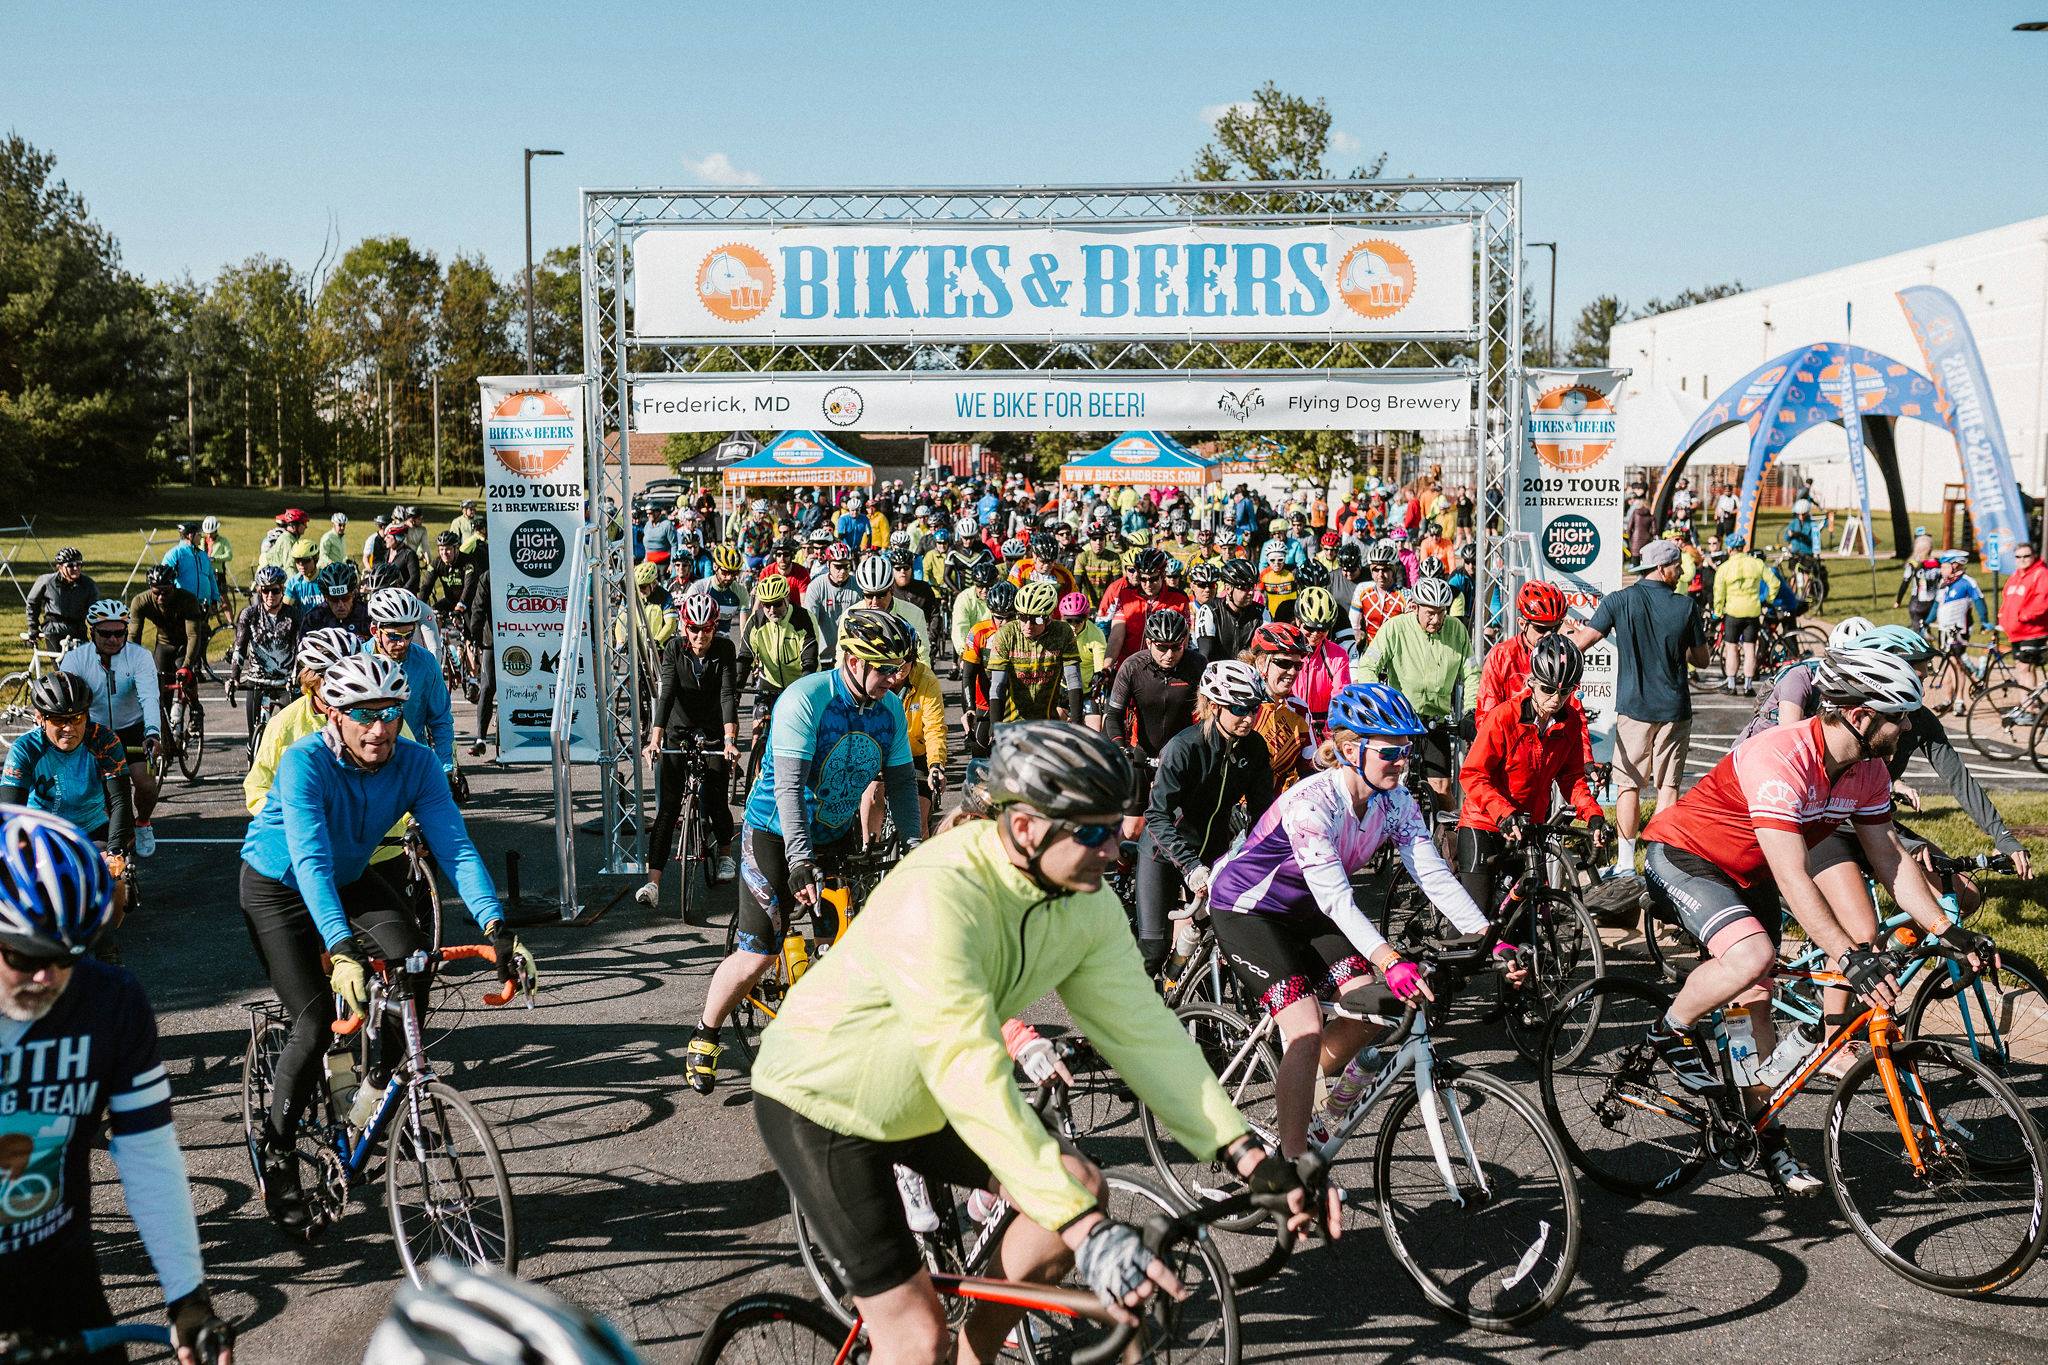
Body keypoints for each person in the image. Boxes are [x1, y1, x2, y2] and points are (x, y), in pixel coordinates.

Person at [750, 721, 1322, 1365]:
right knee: (913, 1339)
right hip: (826, 1102)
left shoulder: (1084, 900)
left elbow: (1145, 1034)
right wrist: (1088, 1232)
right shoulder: (940, 892)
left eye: (1120, 827)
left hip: (919, 1099)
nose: (1116, 850)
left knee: (1076, 1181)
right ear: (1025, 827)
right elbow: (966, 1066)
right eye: (1097, 832)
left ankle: (977, 1356)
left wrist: (1245, 1152)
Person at [1638, 649, 1988, 1191]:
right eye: (1901, 714)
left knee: (1756, 1006)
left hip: (1749, 876)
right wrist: (1847, 955)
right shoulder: (1780, 756)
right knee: (1752, 957)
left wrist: (1949, 930)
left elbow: (1889, 859)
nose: (1909, 726)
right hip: (1687, 856)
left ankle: (1762, 1134)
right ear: (1862, 715)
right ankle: (1666, 1030)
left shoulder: (1867, 770)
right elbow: (1794, 875)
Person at [239, 653, 532, 1236]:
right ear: (333, 711)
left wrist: (496, 930)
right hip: (279, 884)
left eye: (391, 714)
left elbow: (456, 847)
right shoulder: (305, 764)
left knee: (414, 961)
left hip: (348, 876)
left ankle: (372, 1091)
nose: (379, 730)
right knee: (315, 1020)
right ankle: (277, 1154)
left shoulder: (416, 762)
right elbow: (310, 859)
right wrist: (341, 948)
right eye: (364, 715)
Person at [1208, 684, 1493, 1159]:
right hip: (1249, 909)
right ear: (1348, 749)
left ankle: (1302, 1090)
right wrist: (1390, 958)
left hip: (1310, 909)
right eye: (1390, 751)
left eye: (1408, 750)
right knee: (1304, 1026)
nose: (1402, 761)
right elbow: (1340, 902)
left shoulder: (1394, 801)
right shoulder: (1311, 804)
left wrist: (1488, 937)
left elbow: (1433, 876)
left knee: (1368, 1010)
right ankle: (1291, 1168)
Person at [0, 807, 235, 1365]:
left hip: (58, 1274)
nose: (46, 978)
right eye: (23, 955)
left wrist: (187, 1297)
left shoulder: (110, 1002)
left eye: (66, 955)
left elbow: (148, 1151)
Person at [685, 609, 924, 1096]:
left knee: (845, 950)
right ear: (854, 661)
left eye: (898, 670)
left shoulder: (890, 709)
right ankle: (706, 1032)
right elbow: (789, 788)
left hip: (834, 834)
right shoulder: (806, 699)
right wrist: (798, 862)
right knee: (757, 954)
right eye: (884, 670)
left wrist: (916, 848)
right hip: (775, 832)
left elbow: (901, 782)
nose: (892, 680)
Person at [1570, 539, 1709, 875]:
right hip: (1674, 709)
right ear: (1662, 568)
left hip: (1633, 708)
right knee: (1668, 787)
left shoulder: (1619, 601)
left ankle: (1624, 865)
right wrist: (1679, 647)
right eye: (1677, 566)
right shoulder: (1685, 608)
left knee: (1628, 784)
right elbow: (1701, 660)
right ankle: (1659, 865)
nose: (1681, 574)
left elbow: (1583, 642)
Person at [1135, 661, 1274, 976]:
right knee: (1153, 951)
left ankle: (1189, 1003)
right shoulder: (1184, 747)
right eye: (1240, 709)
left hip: (1213, 853)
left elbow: (1262, 814)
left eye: (1254, 707)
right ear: (1214, 705)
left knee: (1219, 942)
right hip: (1164, 852)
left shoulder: (1254, 748)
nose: (1250, 717)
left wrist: (1257, 858)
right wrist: (1189, 865)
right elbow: (1157, 816)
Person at [1455, 636, 1607, 918]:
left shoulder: (1570, 721)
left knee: (1528, 918)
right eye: (1548, 689)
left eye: (1566, 692)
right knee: (1474, 924)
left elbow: (1572, 777)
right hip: (1485, 822)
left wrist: (1593, 814)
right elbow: (1473, 774)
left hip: (1529, 825)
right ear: (1532, 682)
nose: (1556, 699)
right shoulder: (1504, 717)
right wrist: (1503, 813)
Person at [637, 595, 742, 908]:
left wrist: (728, 740)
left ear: (714, 626)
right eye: (694, 629)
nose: (700, 636)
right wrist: (654, 739)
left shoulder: (724, 648)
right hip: (677, 729)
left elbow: (727, 696)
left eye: (707, 628)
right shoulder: (673, 648)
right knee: (668, 809)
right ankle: (653, 884)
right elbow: (666, 693)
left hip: (713, 730)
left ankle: (724, 854)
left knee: (715, 798)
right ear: (685, 626)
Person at [1355, 575, 1475, 805]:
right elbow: (1368, 666)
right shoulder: (1395, 628)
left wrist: (1471, 710)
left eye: (1441, 612)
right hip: (1401, 719)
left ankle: (1449, 839)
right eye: (1430, 612)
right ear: (1415, 607)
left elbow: (1471, 673)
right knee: (1386, 784)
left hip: (1436, 720)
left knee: (1442, 790)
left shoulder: (1456, 629)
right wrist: (1378, 704)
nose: (1436, 619)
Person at [61, 599, 165, 858]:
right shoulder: (75, 659)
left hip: (134, 728)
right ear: (91, 631)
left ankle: (143, 822)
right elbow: (67, 702)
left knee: (146, 784)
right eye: (105, 633)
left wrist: (153, 733)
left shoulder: (139, 657)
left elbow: (149, 697)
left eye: (120, 633)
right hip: (94, 731)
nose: (113, 639)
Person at [0, 674, 134, 859]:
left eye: (77, 718)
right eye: (57, 720)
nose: (69, 728)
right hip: (42, 831)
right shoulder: (25, 749)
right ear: (40, 718)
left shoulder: (104, 741)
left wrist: (114, 852)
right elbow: (10, 812)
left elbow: (120, 801)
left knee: (114, 879)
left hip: (92, 828)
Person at [365, 587, 456, 783]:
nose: (402, 643)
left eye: (408, 635)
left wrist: (446, 766)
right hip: (367, 764)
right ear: (375, 631)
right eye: (394, 636)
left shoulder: (426, 663)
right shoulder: (358, 661)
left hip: (411, 761)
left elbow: (440, 720)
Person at [983, 579, 1084, 724]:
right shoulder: (1006, 634)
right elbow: (998, 685)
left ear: (1048, 618)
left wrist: (1077, 721)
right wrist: (995, 726)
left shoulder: (1063, 632)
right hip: (1011, 722)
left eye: (1036, 620)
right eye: (1022, 617)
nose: (1028, 626)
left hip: (1048, 721)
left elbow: (1073, 679)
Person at [226, 566, 300, 737]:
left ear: (282, 590)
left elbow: (299, 651)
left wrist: (295, 677)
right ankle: (253, 759)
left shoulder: (293, 615)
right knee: (254, 736)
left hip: (285, 683)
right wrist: (234, 677)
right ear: (259, 591)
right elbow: (239, 648)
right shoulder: (249, 614)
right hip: (257, 682)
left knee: (289, 736)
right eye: (265, 590)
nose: (270, 596)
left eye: (275, 590)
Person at [1477, 580, 1568, 716]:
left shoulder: (1564, 656)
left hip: (1552, 735)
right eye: (1541, 628)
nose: (1549, 635)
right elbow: (1486, 714)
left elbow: (1575, 716)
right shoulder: (1501, 655)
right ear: (1522, 623)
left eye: (1555, 628)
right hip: (1511, 734)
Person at [1103, 550, 1189, 666]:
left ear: (1163, 575)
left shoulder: (1179, 599)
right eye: (1143, 579)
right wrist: (1106, 667)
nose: (1148, 585)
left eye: (1153, 579)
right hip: (1130, 665)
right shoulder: (1125, 596)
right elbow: (1116, 637)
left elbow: (1183, 641)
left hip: (1164, 667)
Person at [1711, 534, 1768, 694]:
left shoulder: (1725, 567)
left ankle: (1731, 685)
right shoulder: (1756, 564)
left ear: (1729, 549)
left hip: (1733, 612)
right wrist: (1766, 599)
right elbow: (1774, 583)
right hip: (1752, 611)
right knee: (1750, 648)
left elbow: (1719, 592)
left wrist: (1718, 610)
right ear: (1744, 547)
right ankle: (1748, 686)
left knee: (1731, 648)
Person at [1288, 587, 1348, 735]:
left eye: (1323, 629)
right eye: (1309, 627)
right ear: (1297, 621)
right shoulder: (1285, 652)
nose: (1315, 634)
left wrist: (1332, 728)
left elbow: (1340, 695)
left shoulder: (1338, 655)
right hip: (1289, 723)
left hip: (1323, 729)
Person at [855, 553, 930, 666]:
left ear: (892, 590)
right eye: (869, 596)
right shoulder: (850, 614)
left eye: (881, 595)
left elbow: (922, 657)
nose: (875, 602)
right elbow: (842, 659)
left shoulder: (915, 614)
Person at [1998, 541, 2048, 695]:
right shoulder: (2015, 576)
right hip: (2016, 633)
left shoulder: (2041, 573)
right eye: (2018, 556)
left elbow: (2043, 599)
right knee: (2021, 667)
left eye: (2026, 556)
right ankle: (2026, 705)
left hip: (2033, 631)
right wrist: (2003, 618)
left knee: (2027, 667)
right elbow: (2007, 599)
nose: (2022, 559)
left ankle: (2030, 708)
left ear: (2034, 556)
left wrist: (2023, 616)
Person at [24, 548, 97, 650]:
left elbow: (95, 610)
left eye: (79, 564)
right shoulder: (47, 582)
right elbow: (32, 603)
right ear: (60, 567)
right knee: (62, 664)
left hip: (78, 630)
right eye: (70, 565)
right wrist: (33, 627)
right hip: (54, 630)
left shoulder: (88, 584)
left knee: (86, 663)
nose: (76, 568)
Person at [801, 543, 864, 662]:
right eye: (838, 567)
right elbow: (810, 623)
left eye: (846, 566)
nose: (843, 571)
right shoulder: (816, 586)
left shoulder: (858, 586)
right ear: (828, 565)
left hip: (850, 655)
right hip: (822, 656)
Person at [303, 562, 371, 640]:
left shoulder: (367, 614)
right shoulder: (313, 618)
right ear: (325, 598)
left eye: (345, 598)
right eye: (334, 599)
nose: (340, 605)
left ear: (353, 595)